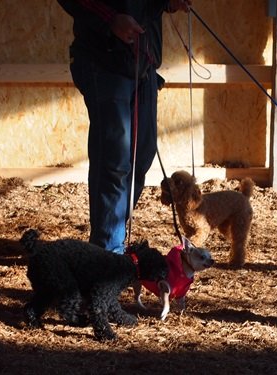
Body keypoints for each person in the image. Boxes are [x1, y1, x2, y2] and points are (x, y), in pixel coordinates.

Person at [57, 0, 192, 254]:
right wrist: (110, 19)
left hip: (144, 60)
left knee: (142, 155)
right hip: (103, 60)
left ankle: (109, 238)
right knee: (114, 161)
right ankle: (107, 253)